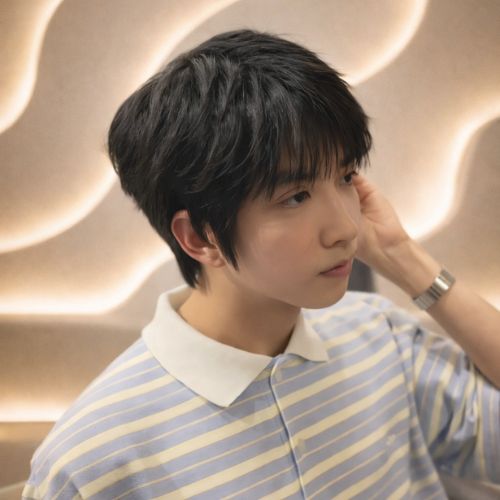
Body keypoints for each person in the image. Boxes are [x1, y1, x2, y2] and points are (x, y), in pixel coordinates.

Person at [23, 29, 499, 499]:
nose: (345, 228)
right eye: (295, 196)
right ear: (200, 237)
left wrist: (403, 257)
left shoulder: (381, 336)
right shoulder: (93, 460)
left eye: (346, 176)